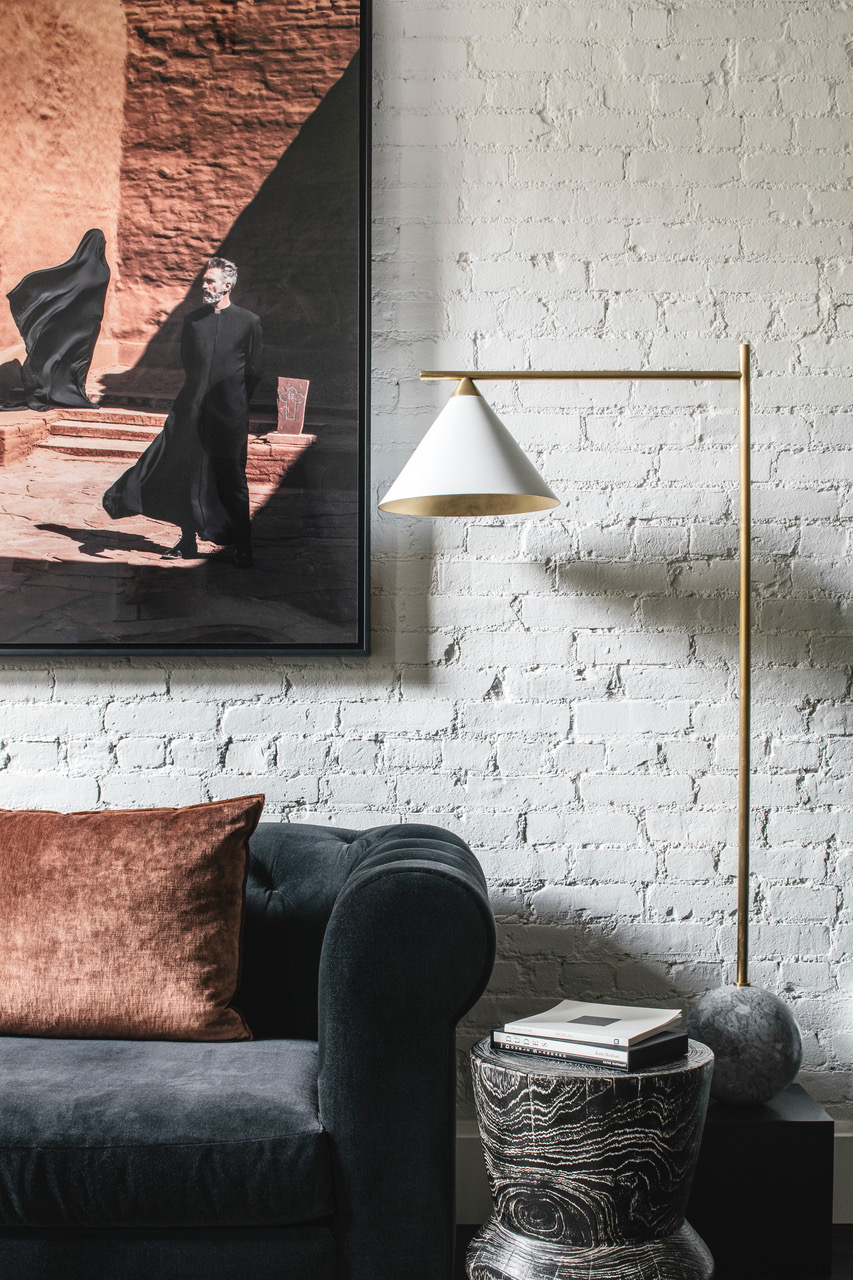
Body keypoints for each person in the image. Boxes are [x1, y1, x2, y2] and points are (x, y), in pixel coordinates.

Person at [103, 257, 263, 568]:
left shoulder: (249, 322)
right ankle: (187, 540)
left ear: (227, 285)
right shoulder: (192, 321)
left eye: (210, 281)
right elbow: (190, 364)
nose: (205, 286)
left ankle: (243, 544)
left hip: (229, 415)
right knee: (187, 475)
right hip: (191, 411)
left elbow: (254, 370)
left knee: (232, 479)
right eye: (204, 280)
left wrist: (235, 402)